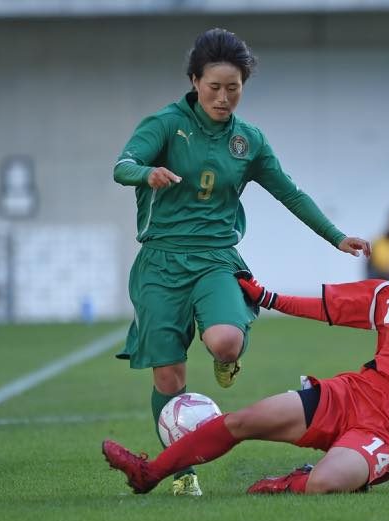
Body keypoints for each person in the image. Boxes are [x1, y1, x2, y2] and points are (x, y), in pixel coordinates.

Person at [101, 200, 389, 495]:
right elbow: (324, 305)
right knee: (244, 420)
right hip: (354, 392)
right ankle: (148, 473)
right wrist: (265, 296)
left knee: (325, 484)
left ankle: (293, 482)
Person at [112, 28, 370, 496]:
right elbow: (121, 166)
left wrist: (336, 236)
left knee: (227, 342)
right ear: (195, 80)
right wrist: (147, 172)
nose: (224, 97)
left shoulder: (247, 140)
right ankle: (182, 472)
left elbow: (288, 191)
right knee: (169, 376)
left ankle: (227, 360)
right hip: (161, 262)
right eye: (214, 87)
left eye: (234, 88)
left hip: (215, 259)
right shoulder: (166, 125)